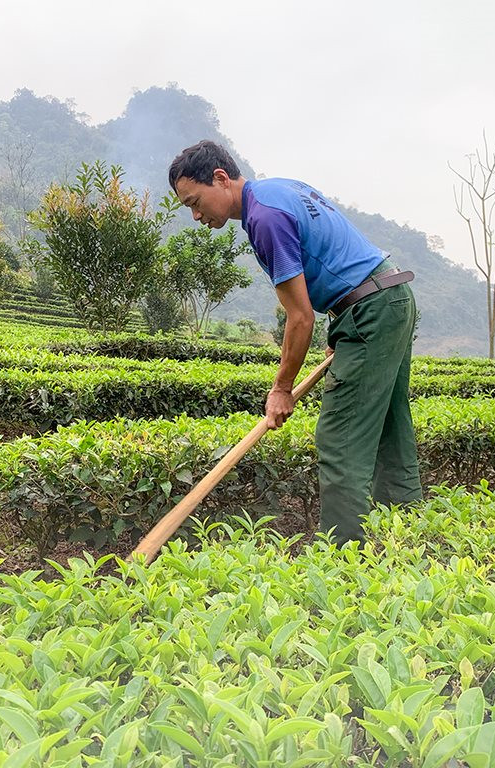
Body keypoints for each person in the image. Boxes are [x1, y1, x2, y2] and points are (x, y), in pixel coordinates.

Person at [167, 140, 422, 545]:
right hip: (386, 297)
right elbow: (338, 258)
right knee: (390, 424)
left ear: (220, 178)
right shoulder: (281, 189)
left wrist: (281, 388)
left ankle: (344, 557)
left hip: (370, 308)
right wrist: (347, 328)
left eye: (195, 202)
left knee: (339, 438)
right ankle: (408, 534)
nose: (197, 216)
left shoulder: (264, 219)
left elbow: (301, 317)